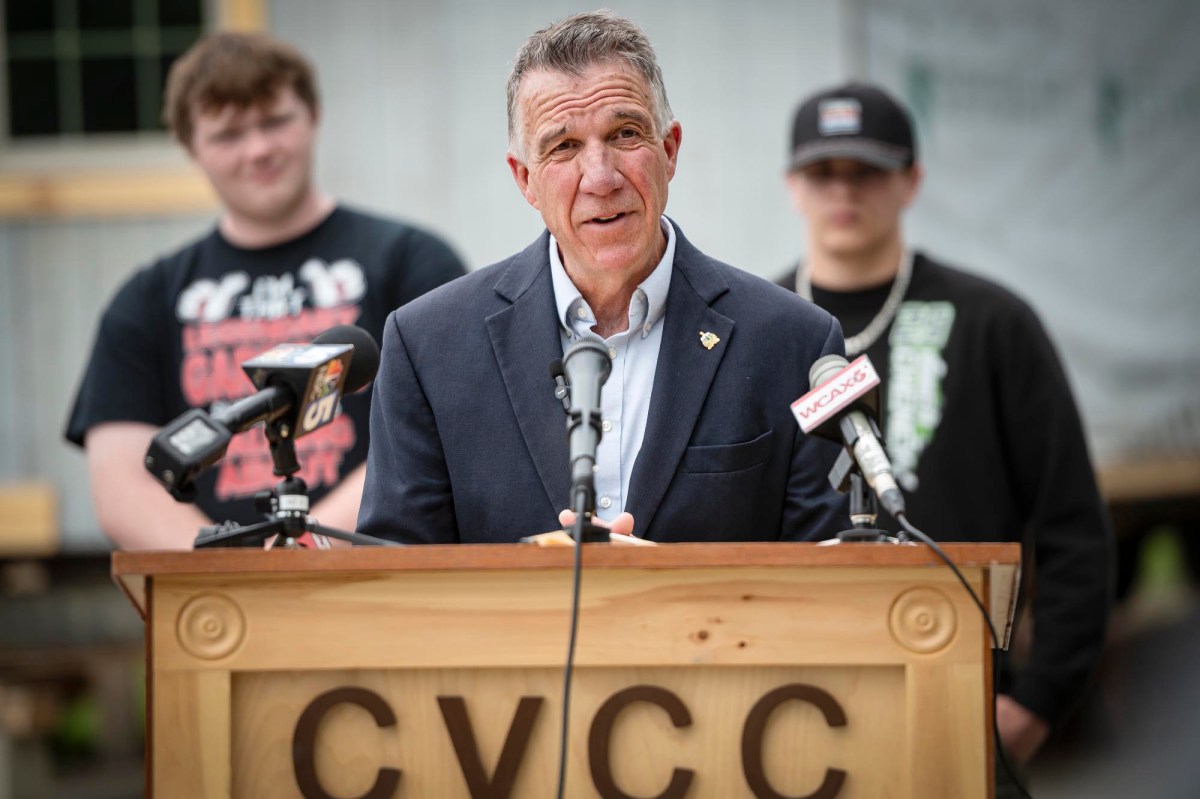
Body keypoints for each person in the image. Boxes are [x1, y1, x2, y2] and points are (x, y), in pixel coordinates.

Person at [357, 11, 847, 544]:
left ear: (669, 151)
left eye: (625, 133)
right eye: (564, 146)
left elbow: (831, 575)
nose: (601, 177)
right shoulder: (426, 347)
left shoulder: (795, 342)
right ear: (525, 179)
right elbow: (396, 573)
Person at [778, 82, 1113, 777]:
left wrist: (1037, 702)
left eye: (866, 170)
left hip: (959, 690)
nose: (844, 190)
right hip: (791, 704)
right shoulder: (757, 331)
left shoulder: (994, 324)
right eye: (822, 171)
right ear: (792, 186)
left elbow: (1074, 527)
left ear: (912, 180)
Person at [65, 32, 466, 550]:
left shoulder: (413, 262)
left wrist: (302, 551)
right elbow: (124, 488)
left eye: (275, 122)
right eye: (228, 134)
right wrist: (235, 573)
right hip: (217, 592)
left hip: (378, 576)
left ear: (313, 116)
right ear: (190, 147)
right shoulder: (145, 299)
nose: (257, 149)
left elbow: (443, 434)